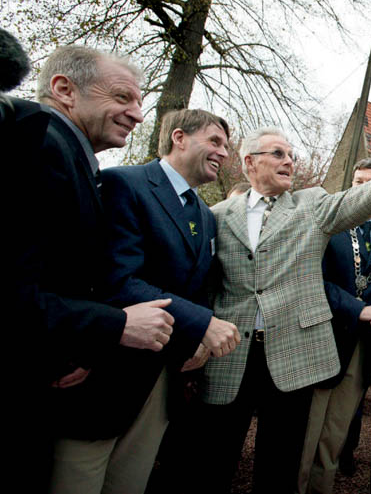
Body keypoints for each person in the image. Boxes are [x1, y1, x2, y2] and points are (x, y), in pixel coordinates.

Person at [194, 117, 371, 493]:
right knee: (212, 460)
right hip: (230, 353)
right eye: (278, 154)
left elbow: (366, 197)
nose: (289, 160)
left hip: (291, 355)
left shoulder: (311, 205)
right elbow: (206, 283)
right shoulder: (216, 217)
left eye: (291, 154)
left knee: (279, 467)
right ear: (249, 163)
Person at [17, 45, 175, 493]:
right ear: (65, 89)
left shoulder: (70, 154)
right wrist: (115, 324)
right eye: (123, 97)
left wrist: (78, 345)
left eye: (140, 101)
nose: (138, 114)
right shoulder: (37, 144)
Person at [83, 109, 239, 494]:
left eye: (227, 146)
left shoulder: (204, 214)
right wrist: (202, 323)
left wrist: (196, 340)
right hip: (108, 373)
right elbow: (116, 280)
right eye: (215, 142)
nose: (223, 153)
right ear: (179, 138)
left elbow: (195, 284)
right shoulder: (125, 183)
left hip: (162, 377)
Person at [297, 157, 371, 494]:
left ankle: (320, 488)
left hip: (364, 346)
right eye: (359, 182)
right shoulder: (330, 225)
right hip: (325, 336)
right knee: (307, 431)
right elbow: (315, 280)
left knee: (336, 432)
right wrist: (358, 309)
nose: (366, 188)